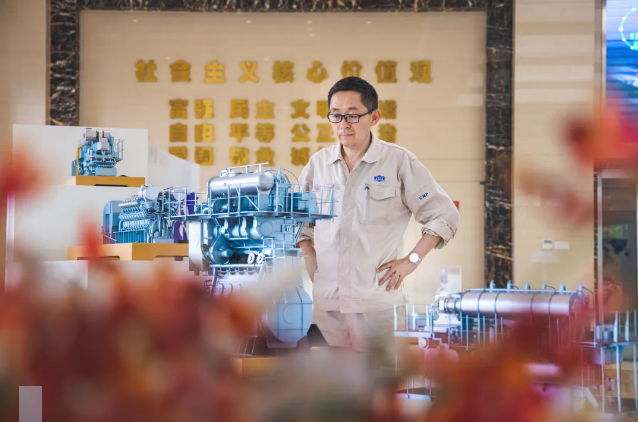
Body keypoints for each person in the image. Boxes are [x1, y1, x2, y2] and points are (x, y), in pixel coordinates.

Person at [297, 76, 460, 352]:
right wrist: (313, 265)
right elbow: (297, 223)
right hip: (327, 308)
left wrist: (411, 261)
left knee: (381, 377)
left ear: (374, 117)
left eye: (352, 115)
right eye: (335, 115)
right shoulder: (318, 165)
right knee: (327, 378)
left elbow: (444, 216)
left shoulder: (398, 161)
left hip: (377, 306)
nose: (343, 124)